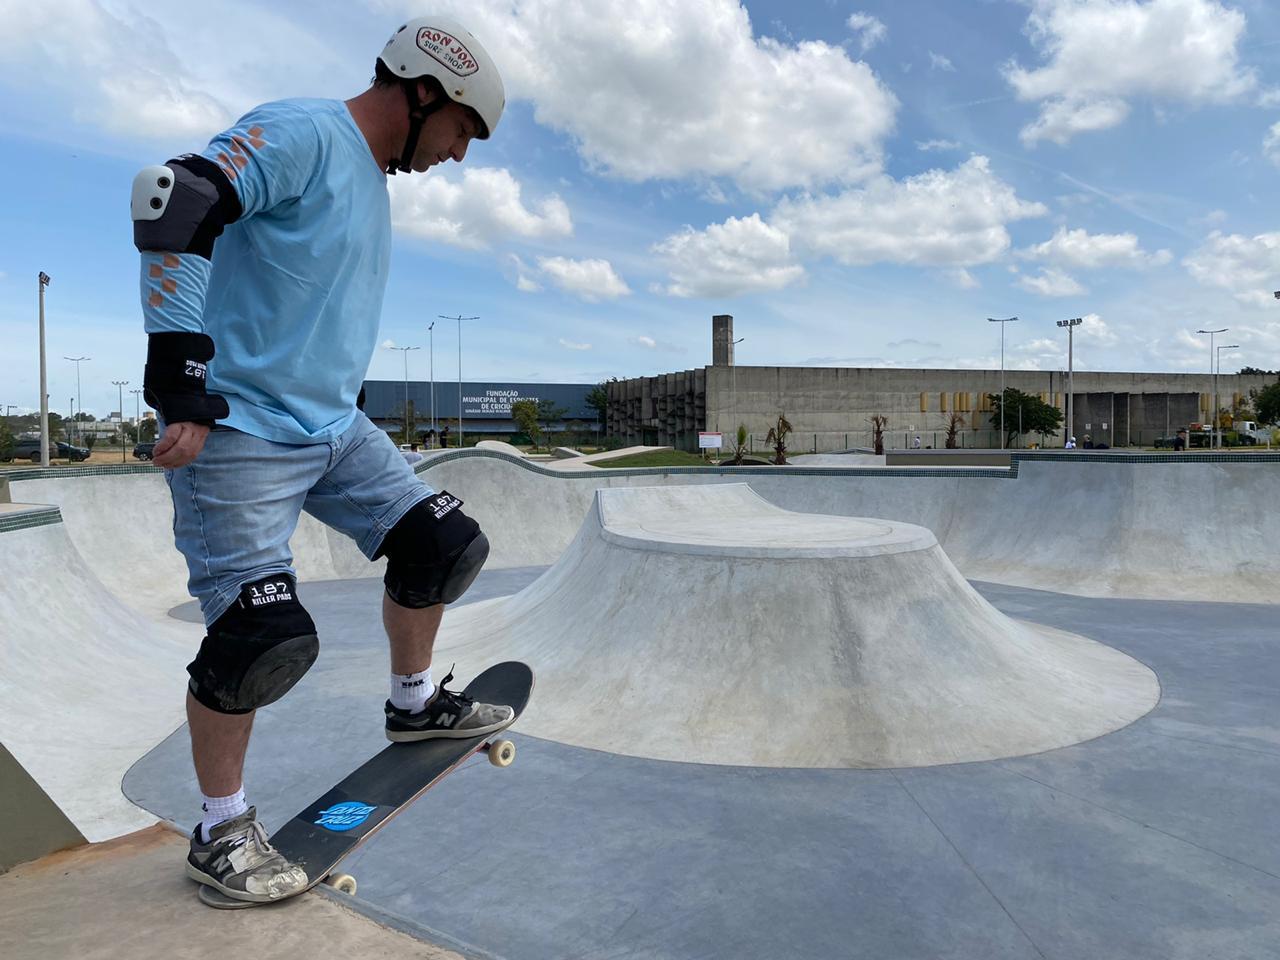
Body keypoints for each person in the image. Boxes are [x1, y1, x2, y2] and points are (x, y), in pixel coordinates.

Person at [131, 16, 512, 905]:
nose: (459, 156)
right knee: (258, 637)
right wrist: (179, 375)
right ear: (424, 94)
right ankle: (221, 827)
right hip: (239, 434)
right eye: (464, 131)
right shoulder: (306, 132)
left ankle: (413, 705)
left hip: (335, 429)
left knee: (442, 545)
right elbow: (175, 196)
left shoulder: (370, 185)